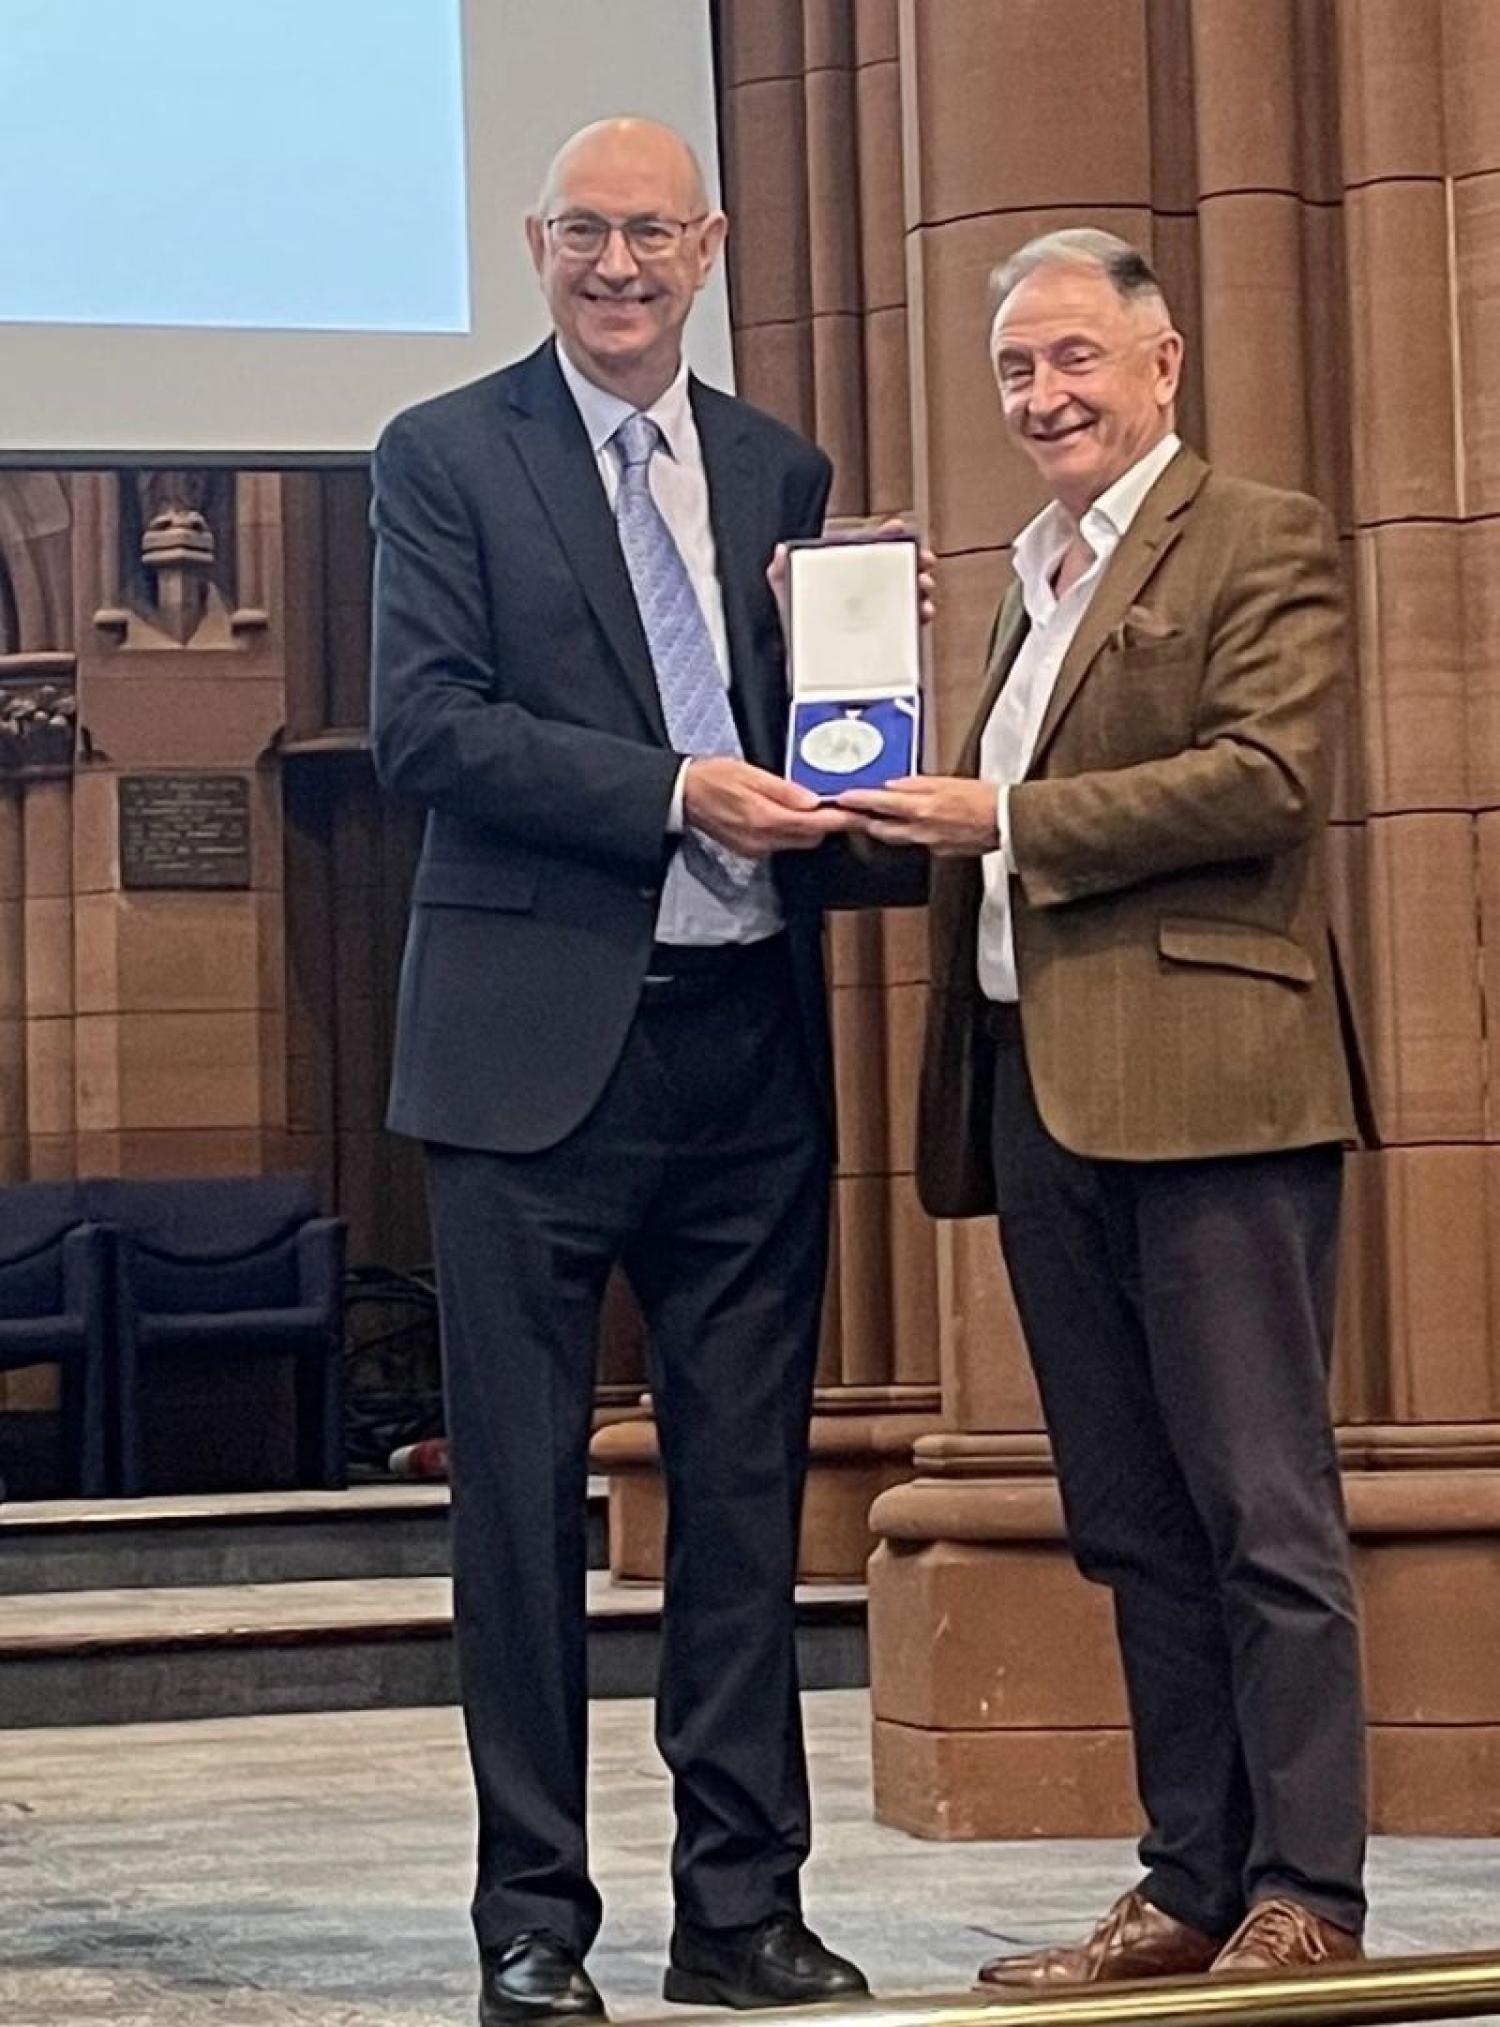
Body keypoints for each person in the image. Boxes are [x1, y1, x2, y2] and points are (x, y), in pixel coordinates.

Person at [369, 116, 902, 2026]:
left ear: (711, 245)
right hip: (528, 1068)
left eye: (651, 233)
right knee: (519, 1512)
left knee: (745, 1502)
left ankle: (741, 1910)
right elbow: (424, 727)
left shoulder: (775, 465)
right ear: (534, 248)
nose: (618, 263)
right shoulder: (447, 454)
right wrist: (673, 787)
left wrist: (883, 787)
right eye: (584, 232)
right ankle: (533, 1922)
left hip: (744, 1049)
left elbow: (810, 739)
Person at [839, 229, 1369, 1985]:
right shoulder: (1023, 577)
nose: (1044, 396)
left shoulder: (1260, 534)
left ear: (1163, 363)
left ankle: (1311, 1891)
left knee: (1259, 1511)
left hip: (1214, 1091)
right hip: (1043, 1092)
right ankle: (1192, 1882)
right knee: (1132, 1519)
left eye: (1074, 358)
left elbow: (1271, 777)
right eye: (1015, 370)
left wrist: (1008, 823)